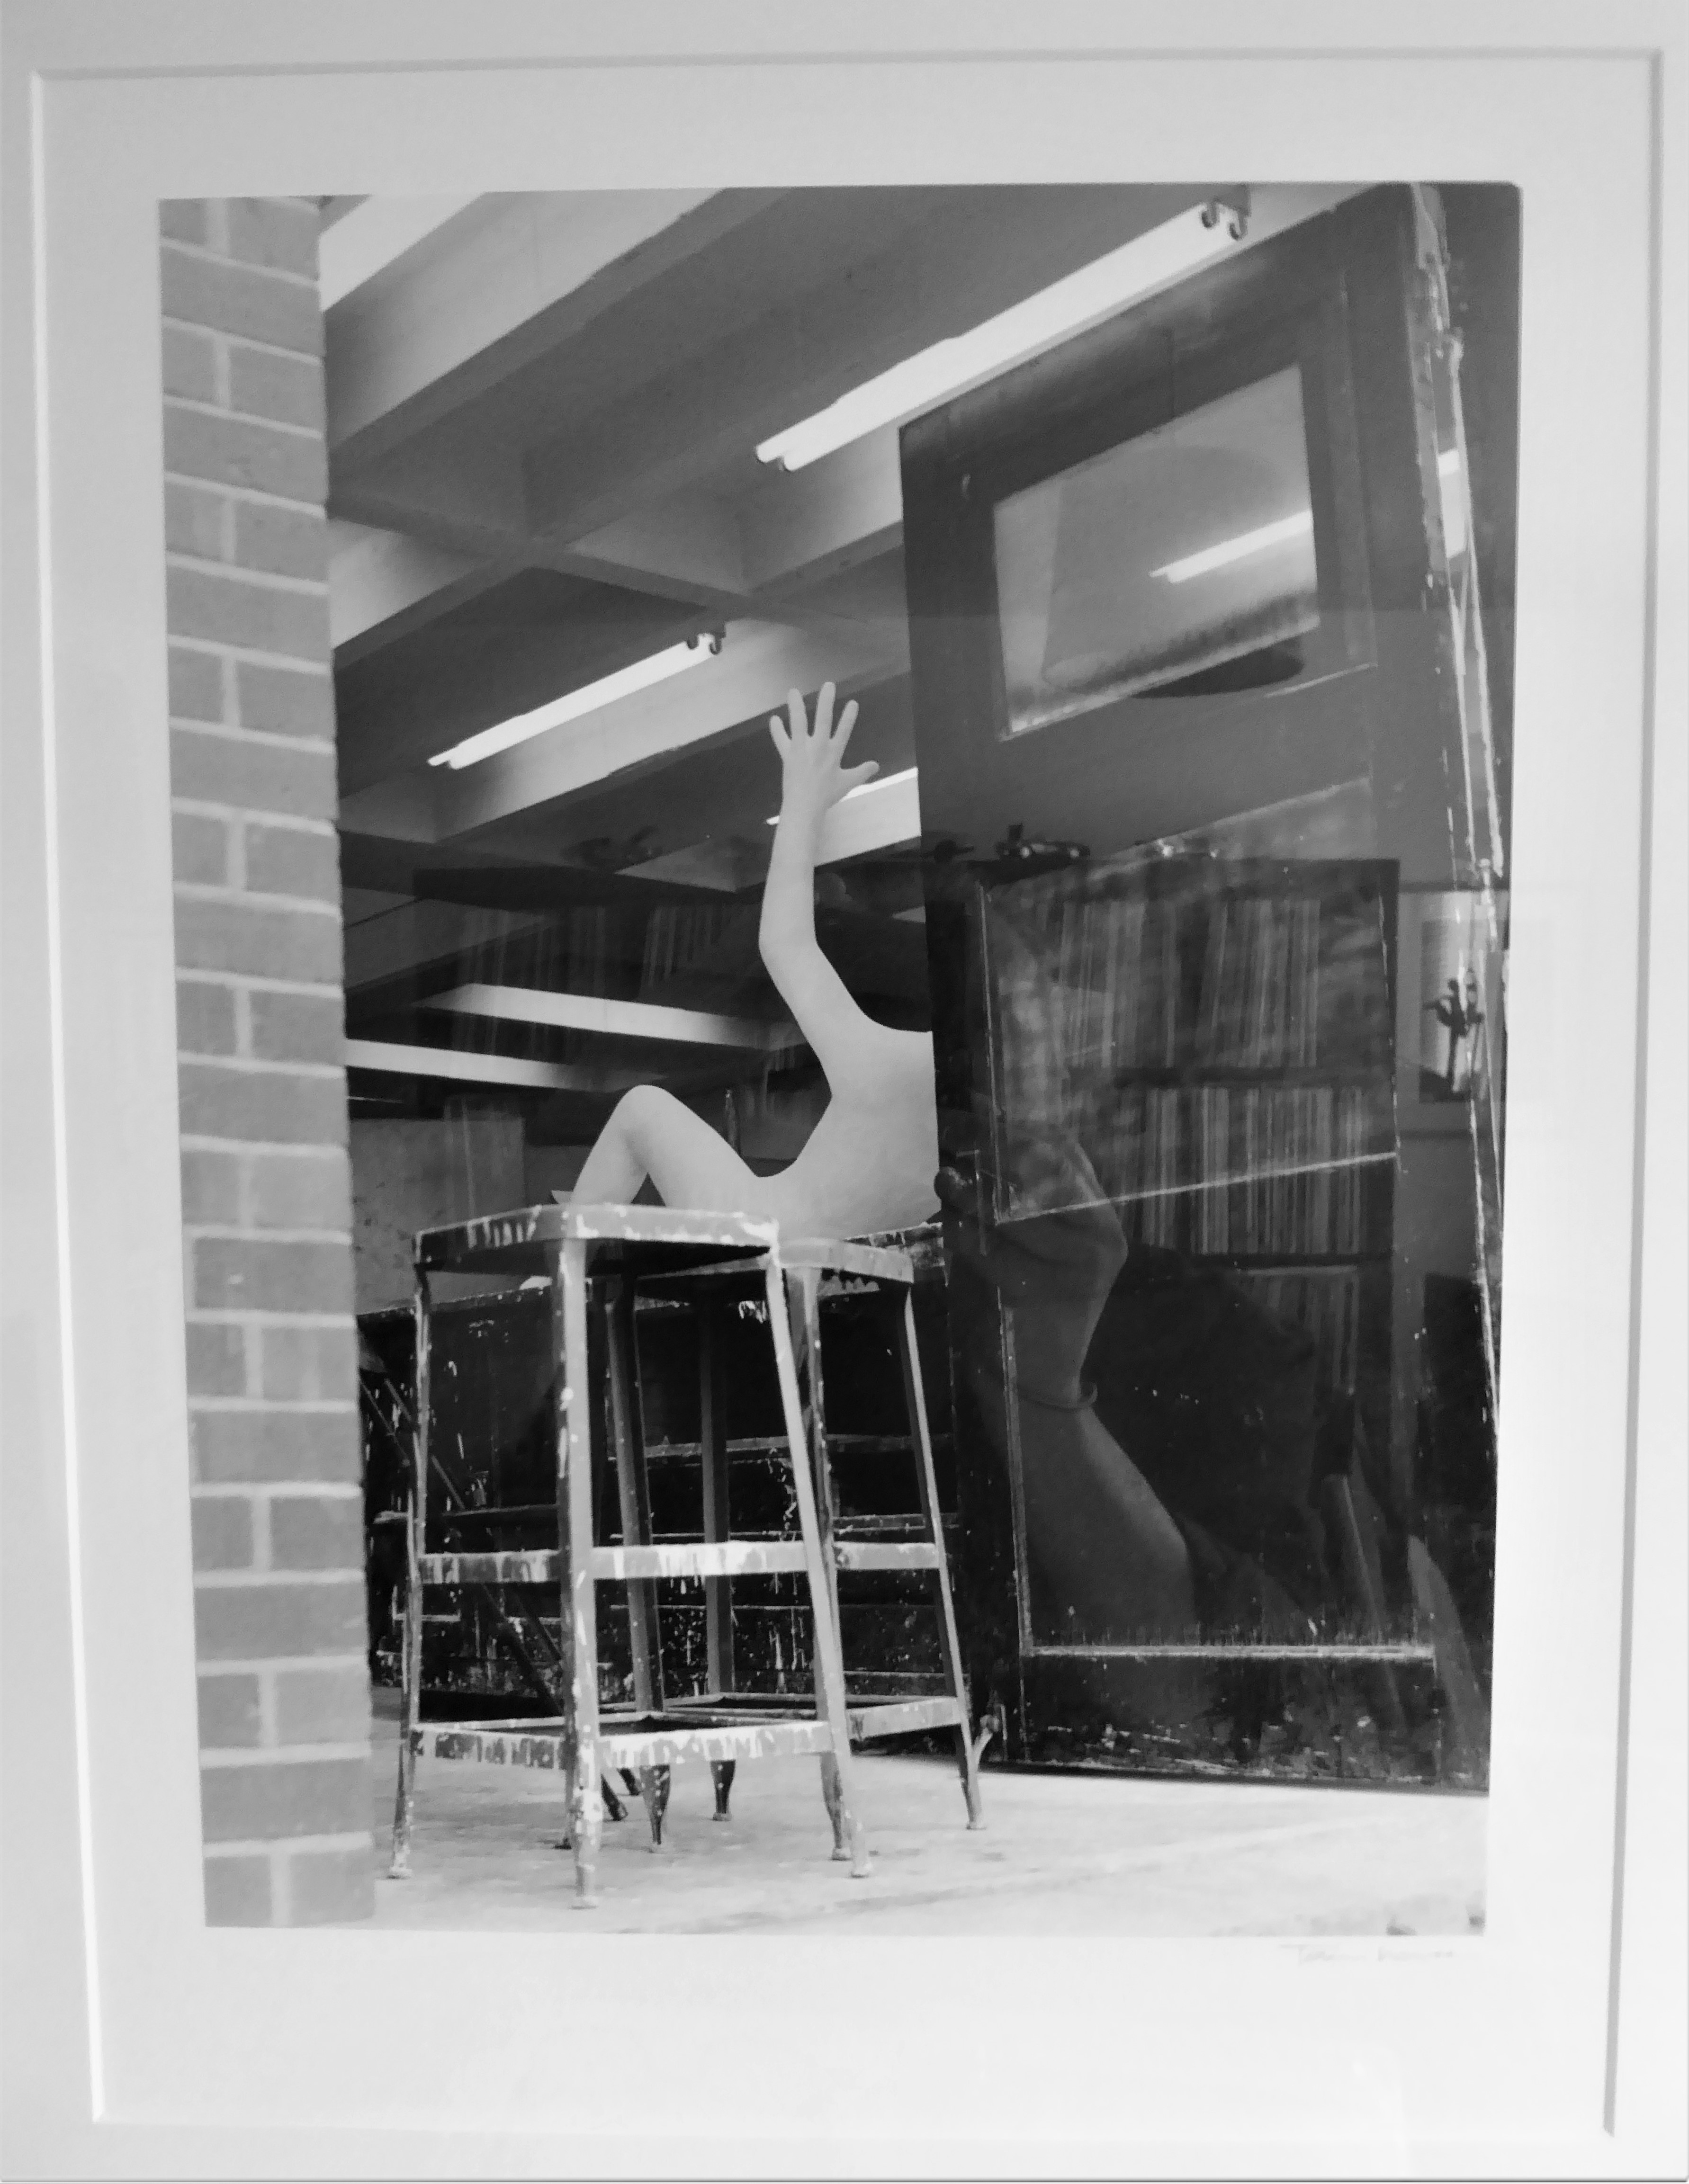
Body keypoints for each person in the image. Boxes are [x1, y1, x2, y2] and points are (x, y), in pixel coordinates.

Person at [567, 682, 941, 1240]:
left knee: (642, 1107)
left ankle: (565, 1268)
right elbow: (786, 947)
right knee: (641, 1106)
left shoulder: (891, 1067)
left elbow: (785, 945)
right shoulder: (961, 1105)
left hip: (767, 1231)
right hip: (798, 1243)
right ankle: (565, 1270)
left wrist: (802, 806)